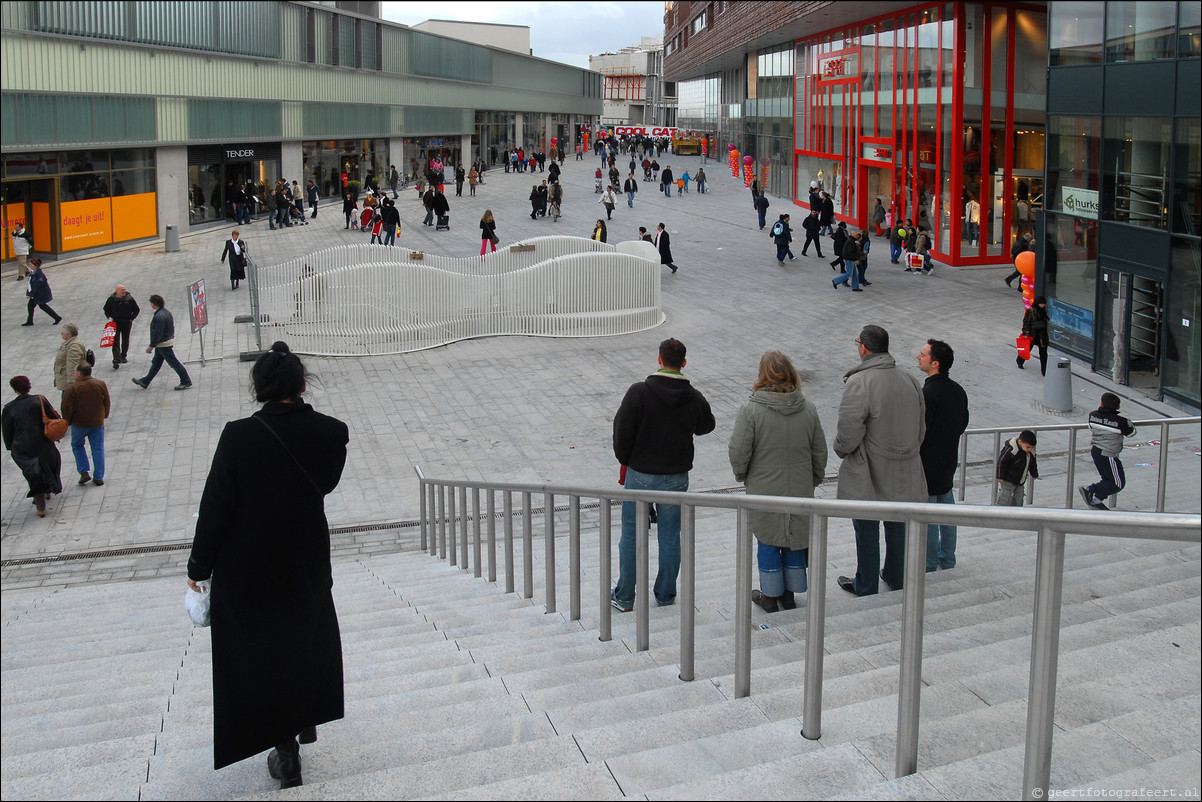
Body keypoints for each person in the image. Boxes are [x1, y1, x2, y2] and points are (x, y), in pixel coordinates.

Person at [186, 342, 348, 789]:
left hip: (248, 566)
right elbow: (325, 484)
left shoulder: (238, 435)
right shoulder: (333, 433)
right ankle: (303, 719)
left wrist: (198, 567)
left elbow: (216, 505)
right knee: (302, 643)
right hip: (305, 560)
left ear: (258, 388)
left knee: (262, 655)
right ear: (301, 384)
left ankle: (285, 749)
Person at [611, 338, 715, 612]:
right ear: (683, 363)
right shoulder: (692, 396)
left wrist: (627, 460)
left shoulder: (639, 392)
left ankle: (624, 596)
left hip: (641, 474)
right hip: (676, 476)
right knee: (670, 536)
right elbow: (707, 425)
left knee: (632, 535)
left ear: (659, 359)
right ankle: (666, 594)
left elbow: (622, 433)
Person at [728, 351, 828, 612]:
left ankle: (770, 595)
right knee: (795, 536)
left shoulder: (751, 410)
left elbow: (739, 450)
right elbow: (819, 451)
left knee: (768, 538)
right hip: (800, 485)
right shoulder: (808, 409)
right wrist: (814, 479)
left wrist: (742, 475)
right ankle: (790, 594)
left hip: (764, 487)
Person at [835, 325, 927, 597]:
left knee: (866, 526)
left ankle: (866, 583)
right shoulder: (909, 380)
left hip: (869, 469)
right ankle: (896, 576)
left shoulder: (860, 382)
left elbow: (849, 431)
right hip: (906, 466)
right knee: (898, 523)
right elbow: (921, 428)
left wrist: (841, 449)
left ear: (863, 347)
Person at [916, 339, 969, 572]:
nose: (918, 357)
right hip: (948, 460)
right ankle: (947, 558)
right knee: (947, 512)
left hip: (928, 464)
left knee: (928, 515)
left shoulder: (928, 393)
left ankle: (928, 563)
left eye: (923, 354)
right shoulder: (958, 391)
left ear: (935, 363)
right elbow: (962, 423)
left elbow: (921, 431)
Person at [2, 375, 63, 518]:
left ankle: (41, 505)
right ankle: (48, 490)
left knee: (33, 473)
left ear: (15, 389)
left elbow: (7, 432)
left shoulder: (9, 408)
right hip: (43, 442)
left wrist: (11, 447)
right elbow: (53, 418)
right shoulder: (39, 400)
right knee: (47, 465)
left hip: (23, 447)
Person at [1079, 393, 1136, 511]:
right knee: (1118, 483)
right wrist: (1128, 422)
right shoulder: (1121, 421)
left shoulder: (1092, 415)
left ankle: (1096, 500)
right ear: (1118, 407)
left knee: (1108, 479)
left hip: (1096, 451)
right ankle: (1090, 490)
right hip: (1108, 454)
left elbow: (1091, 427)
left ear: (1101, 403)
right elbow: (1131, 433)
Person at [62, 362, 110, 487]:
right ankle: (99, 476)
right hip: (97, 422)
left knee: (77, 445)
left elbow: (66, 407)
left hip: (79, 424)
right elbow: (106, 401)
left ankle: (83, 471)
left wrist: (67, 421)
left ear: (79, 373)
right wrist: (105, 414)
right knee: (97, 448)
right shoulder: (100, 384)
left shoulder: (72, 389)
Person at [132, 294, 192, 391]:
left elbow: (158, 332)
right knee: (156, 363)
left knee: (174, 363)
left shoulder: (159, 316)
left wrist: (151, 345)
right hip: (165, 342)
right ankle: (145, 381)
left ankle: (185, 381)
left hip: (163, 344)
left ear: (154, 304)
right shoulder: (165, 312)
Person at [996, 430, 1038, 506]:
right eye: (1028, 447)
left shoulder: (1030, 453)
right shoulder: (1011, 450)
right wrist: (1000, 476)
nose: (1029, 449)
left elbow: (1032, 464)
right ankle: (1000, 509)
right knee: (1005, 495)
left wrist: (1034, 474)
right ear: (1020, 442)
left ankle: (1017, 510)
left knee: (1019, 496)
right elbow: (1001, 462)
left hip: (1020, 480)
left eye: (1031, 448)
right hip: (1008, 479)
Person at [102, 284, 140, 369]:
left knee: (125, 340)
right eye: (122, 290)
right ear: (117, 291)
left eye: (124, 290)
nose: (124, 292)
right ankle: (116, 359)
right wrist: (109, 317)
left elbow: (136, 309)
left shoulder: (129, 299)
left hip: (126, 322)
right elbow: (106, 309)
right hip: (115, 323)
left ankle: (123, 356)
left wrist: (131, 318)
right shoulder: (111, 299)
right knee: (115, 341)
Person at [53, 323, 88, 400]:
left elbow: (73, 366)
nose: (61, 334)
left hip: (69, 384)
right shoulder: (69, 343)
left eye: (62, 333)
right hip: (66, 381)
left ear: (69, 334)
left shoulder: (73, 346)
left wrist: (71, 385)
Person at [23, 258, 61, 326]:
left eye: (31, 264)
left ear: (35, 266)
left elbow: (37, 285)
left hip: (40, 294)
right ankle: (30, 321)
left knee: (42, 306)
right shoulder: (34, 272)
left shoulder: (38, 274)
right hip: (36, 294)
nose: (30, 265)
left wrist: (31, 294)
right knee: (30, 306)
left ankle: (57, 317)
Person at [1018, 296, 1050, 375]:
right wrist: (1025, 333)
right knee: (1027, 349)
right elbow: (1026, 323)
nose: (1043, 305)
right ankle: (1020, 361)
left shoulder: (1043, 311)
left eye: (1044, 304)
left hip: (1042, 335)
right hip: (1033, 334)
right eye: (1041, 304)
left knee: (1043, 353)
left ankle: (1044, 371)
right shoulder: (1031, 311)